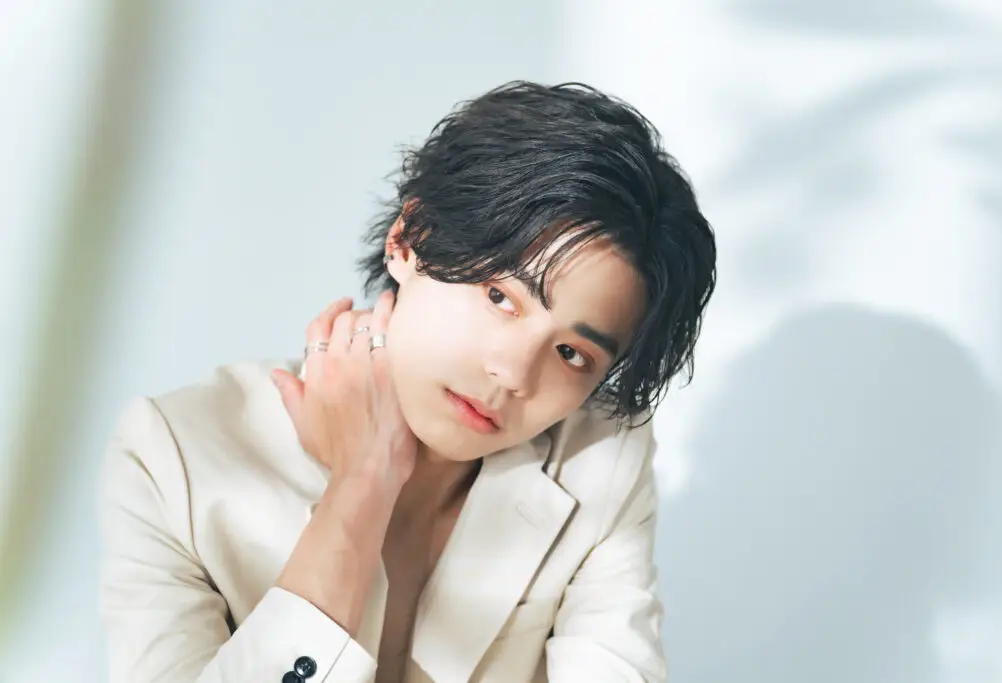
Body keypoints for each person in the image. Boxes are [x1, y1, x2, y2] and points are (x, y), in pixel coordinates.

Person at [98, 81, 717, 683]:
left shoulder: (599, 460)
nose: (512, 374)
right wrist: (361, 485)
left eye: (570, 353)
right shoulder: (174, 458)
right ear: (409, 239)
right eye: (500, 297)